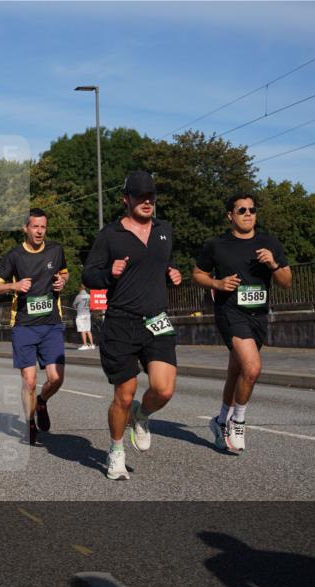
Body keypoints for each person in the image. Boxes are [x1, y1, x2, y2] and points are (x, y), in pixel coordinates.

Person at [82, 171, 182, 481]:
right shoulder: (110, 235)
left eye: (151, 195)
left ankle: (142, 415)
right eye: (139, 196)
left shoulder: (165, 231)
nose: (147, 200)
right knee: (123, 396)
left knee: (164, 389)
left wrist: (171, 274)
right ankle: (116, 450)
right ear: (126, 199)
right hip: (122, 323)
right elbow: (89, 276)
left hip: (156, 320)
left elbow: (157, 265)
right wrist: (109, 274)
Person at [193, 193, 292, 453]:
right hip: (229, 312)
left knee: (237, 372)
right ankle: (238, 421)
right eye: (241, 210)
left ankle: (219, 421)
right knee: (252, 368)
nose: (248, 214)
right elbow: (197, 274)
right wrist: (217, 283)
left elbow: (286, 281)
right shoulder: (216, 245)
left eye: (252, 209)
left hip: (258, 315)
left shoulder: (269, 243)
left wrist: (273, 263)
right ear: (230, 216)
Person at [0, 208, 68, 445]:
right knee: (29, 381)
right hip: (24, 325)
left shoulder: (56, 250)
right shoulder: (14, 256)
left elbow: (65, 274)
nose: (40, 231)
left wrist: (62, 281)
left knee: (56, 378)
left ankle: (41, 401)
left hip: (51, 323)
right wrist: (14, 286)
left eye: (43, 226)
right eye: (35, 226)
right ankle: (30, 422)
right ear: (26, 228)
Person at [73, 285, 95, 350]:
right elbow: (91, 305)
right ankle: (92, 345)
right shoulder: (89, 296)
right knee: (88, 330)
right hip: (87, 314)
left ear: (80, 288)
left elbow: (74, 304)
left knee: (82, 330)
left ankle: (85, 345)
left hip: (80, 315)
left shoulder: (78, 296)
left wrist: (77, 308)